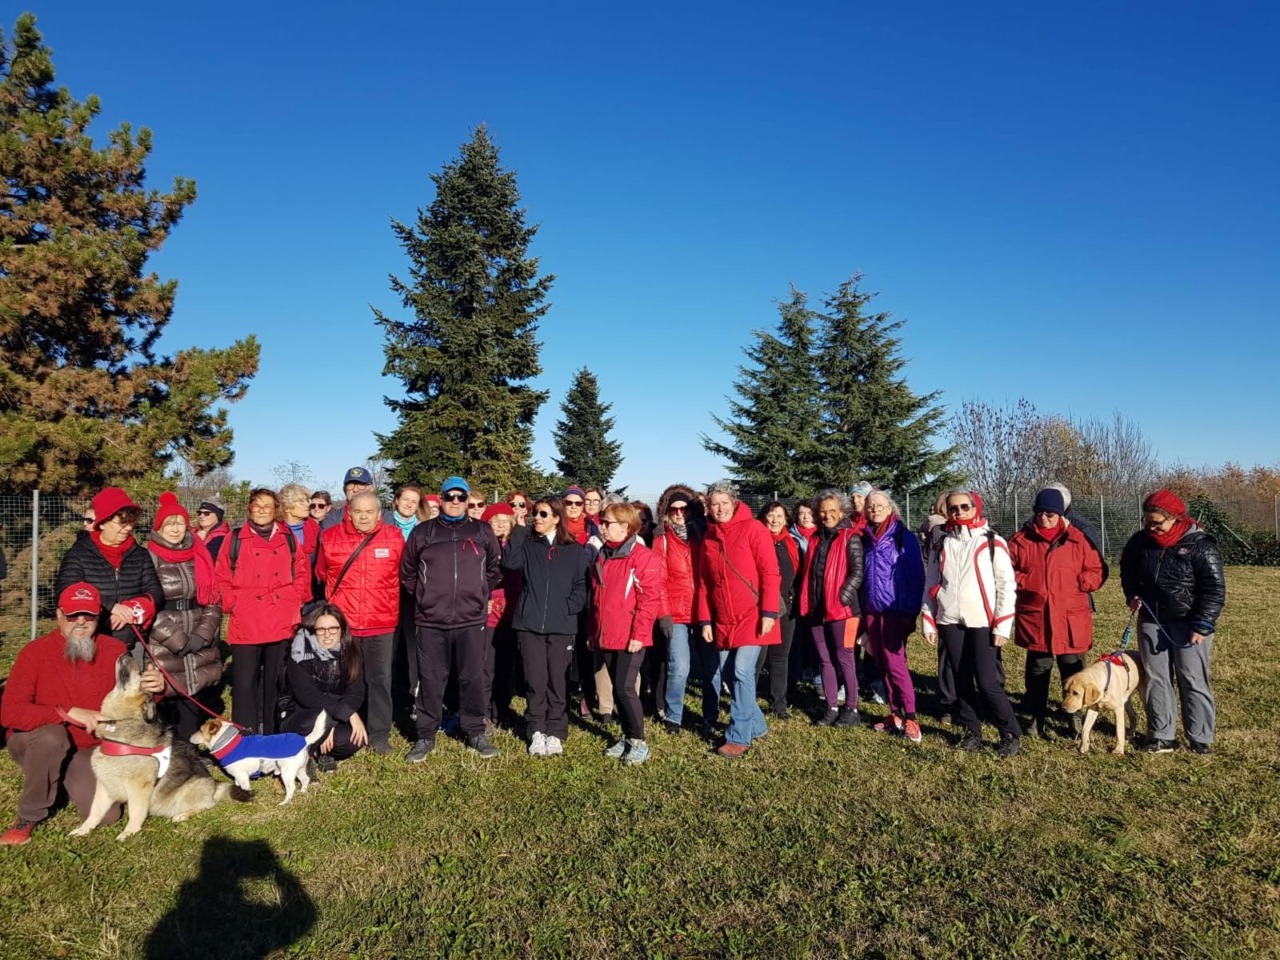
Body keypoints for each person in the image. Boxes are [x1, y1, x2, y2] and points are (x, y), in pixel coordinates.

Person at [1, 582, 130, 845]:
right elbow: (9, 713)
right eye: (72, 615)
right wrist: (66, 712)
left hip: (87, 747)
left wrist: (156, 689)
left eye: (89, 615)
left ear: (99, 617)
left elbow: (130, 703)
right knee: (52, 737)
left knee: (107, 815)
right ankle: (30, 813)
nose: (80, 622)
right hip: (36, 741)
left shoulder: (115, 651)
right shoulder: (34, 653)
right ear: (59, 616)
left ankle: (60, 776)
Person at [401, 476, 502, 762]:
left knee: (472, 677)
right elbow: (408, 572)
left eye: (461, 497)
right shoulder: (424, 532)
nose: (455, 502)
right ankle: (425, 735)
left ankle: (475, 731)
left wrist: (480, 592)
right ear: (441, 499)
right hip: (431, 620)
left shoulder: (482, 531)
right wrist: (425, 596)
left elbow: (494, 568)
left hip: (471, 619)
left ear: (468, 500)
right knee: (431, 679)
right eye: (449, 496)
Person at [1120, 490, 1226, 755]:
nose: (1152, 528)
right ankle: (1161, 735)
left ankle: (1200, 737)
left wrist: (1203, 624)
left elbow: (1214, 588)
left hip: (1189, 624)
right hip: (1152, 621)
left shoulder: (1201, 545)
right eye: (1148, 522)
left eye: (1158, 523)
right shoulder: (1139, 542)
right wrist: (1132, 594)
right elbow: (1127, 571)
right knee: (1156, 677)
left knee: (1192, 678)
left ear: (1176, 518)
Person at [921, 490, 1022, 757]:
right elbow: (931, 582)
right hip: (950, 620)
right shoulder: (941, 542)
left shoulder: (992, 542)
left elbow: (1006, 586)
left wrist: (1002, 625)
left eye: (965, 507)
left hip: (983, 622)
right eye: (953, 508)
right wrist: (929, 620)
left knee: (988, 682)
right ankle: (971, 731)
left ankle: (1010, 733)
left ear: (975, 507)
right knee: (960, 678)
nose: (959, 512)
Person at [1007, 487, 1105, 740]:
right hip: (1037, 616)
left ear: (1061, 514)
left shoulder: (1078, 539)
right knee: (1038, 670)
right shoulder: (1020, 541)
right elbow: (1005, 570)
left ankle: (1074, 717)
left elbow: (1097, 569)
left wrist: (1083, 583)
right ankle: (1035, 715)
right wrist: (1025, 580)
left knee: (1073, 668)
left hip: (1071, 617)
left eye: (1051, 513)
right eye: (1040, 512)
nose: (1044, 518)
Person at [215, 487, 313, 735]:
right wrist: (232, 602)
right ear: (250, 508)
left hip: (280, 615)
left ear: (276, 510)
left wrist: (295, 598)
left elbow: (302, 571)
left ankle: (271, 733)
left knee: (275, 682)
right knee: (245, 683)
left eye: (267, 506)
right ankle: (245, 734)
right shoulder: (235, 538)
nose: (261, 510)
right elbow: (221, 575)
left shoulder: (287, 537)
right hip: (246, 617)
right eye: (257, 505)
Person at [695, 482, 781, 759]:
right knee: (731, 676)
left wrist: (768, 613)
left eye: (724, 502)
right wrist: (705, 620)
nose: (719, 509)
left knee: (743, 671)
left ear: (734, 502)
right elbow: (704, 584)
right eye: (714, 504)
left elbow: (770, 573)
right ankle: (757, 725)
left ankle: (738, 736)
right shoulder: (708, 537)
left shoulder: (754, 529)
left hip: (753, 615)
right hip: (723, 618)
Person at [315, 491, 404, 754]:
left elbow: (403, 572)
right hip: (344, 622)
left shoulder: (394, 538)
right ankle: (342, 727)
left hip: (381, 621)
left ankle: (378, 735)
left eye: (369, 512)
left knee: (379, 680)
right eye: (358, 511)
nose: (363, 517)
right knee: (343, 678)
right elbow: (321, 573)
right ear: (348, 512)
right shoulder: (330, 538)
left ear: (379, 513)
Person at [502, 497, 589, 756]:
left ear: (556, 518)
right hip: (529, 624)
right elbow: (510, 563)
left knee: (557, 681)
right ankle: (536, 730)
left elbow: (582, 586)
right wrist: (517, 529)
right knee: (535, 679)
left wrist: (568, 606)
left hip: (562, 626)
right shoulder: (528, 543)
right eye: (534, 513)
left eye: (542, 514)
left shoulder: (575, 550)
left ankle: (556, 731)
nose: (536, 518)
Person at [145, 492, 225, 739]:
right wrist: (177, 640)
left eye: (179, 522)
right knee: (167, 692)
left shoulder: (197, 553)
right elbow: (148, 604)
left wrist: (203, 633)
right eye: (169, 524)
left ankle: (190, 746)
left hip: (197, 627)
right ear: (158, 527)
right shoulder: (147, 556)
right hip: (165, 637)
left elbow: (212, 596)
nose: (175, 529)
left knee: (194, 690)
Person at [592, 501, 662, 764]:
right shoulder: (603, 555)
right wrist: (593, 632)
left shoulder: (642, 557)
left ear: (624, 526)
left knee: (624, 688)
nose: (602, 526)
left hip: (630, 637)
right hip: (606, 634)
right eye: (602, 521)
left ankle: (639, 741)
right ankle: (627, 735)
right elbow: (597, 600)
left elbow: (649, 600)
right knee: (618, 688)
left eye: (607, 522)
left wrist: (639, 634)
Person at [54, 487, 163, 647]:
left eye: (131, 522)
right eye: (122, 523)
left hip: (132, 641)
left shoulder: (140, 554)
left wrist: (130, 610)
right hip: (92, 642)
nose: (129, 528)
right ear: (103, 523)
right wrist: (111, 606)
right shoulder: (78, 553)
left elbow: (156, 593)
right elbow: (66, 590)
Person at [860, 491, 926, 744]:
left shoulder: (902, 537)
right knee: (883, 664)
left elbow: (916, 576)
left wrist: (910, 612)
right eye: (871, 506)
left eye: (879, 505)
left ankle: (911, 717)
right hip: (872, 610)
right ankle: (894, 714)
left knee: (896, 664)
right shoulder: (866, 536)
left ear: (890, 508)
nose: (875, 509)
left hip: (895, 611)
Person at [798, 490, 865, 728]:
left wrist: (842, 596)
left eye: (831, 511)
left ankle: (852, 708)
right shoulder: (816, 538)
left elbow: (857, 572)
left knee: (845, 658)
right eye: (823, 511)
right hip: (817, 609)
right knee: (824, 659)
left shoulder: (850, 537)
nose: (827, 515)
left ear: (842, 512)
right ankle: (831, 706)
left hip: (843, 611)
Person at [279, 604, 368, 771]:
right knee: (312, 723)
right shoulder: (299, 653)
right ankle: (306, 758)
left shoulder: (352, 651)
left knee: (354, 739)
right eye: (321, 630)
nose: (327, 635)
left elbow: (355, 693)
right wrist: (332, 722)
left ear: (342, 629)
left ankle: (323, 751)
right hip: (300, 713)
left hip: (334, 712)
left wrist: (333, 722)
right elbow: (307, 696)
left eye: (333, 629)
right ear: (313, 630)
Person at [651, 485, 710, 733]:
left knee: (711, 667)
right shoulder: (661, 540)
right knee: (680, 666)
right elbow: (659, 579)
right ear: (667, 511)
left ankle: (711, 713)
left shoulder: (704, 536)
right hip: (675, 612)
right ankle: (674, 715)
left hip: (704, 610)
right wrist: (663, 613)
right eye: (673, 510)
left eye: (683, 509)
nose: (678, 514)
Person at [756, 501, 799, 719]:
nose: (774, 520)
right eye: (771, 515)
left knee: (780, 658)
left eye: (779, 516)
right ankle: (748, 700)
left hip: (787, 608)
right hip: (762, 609)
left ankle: (778, 702)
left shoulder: (790, 543)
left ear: (786, 520)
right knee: (758, 658)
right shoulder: (757, 540)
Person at [481, 502, 521, 727]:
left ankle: (502, 708)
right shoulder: (483, 545)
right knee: (486, 664)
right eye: (496, 521)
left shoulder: (517, 545)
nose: (501, 524)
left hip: (510, 609)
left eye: (505, 520)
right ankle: (484, 709)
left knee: (506, 664)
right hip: (488, 610)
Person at [279, 483, 321, 572]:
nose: (307, 504)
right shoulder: (275, 531)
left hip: (311, 583)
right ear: (286, 507)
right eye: (301, 501)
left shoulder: (315, 529)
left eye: (307, 500)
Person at [320, 467, 376, 533]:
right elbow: (325, 539)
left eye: (361, 485)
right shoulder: (334, 517)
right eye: (350, 485)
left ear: (370, 489)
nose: (355, 489)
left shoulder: (383, 516)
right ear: (345, 490)